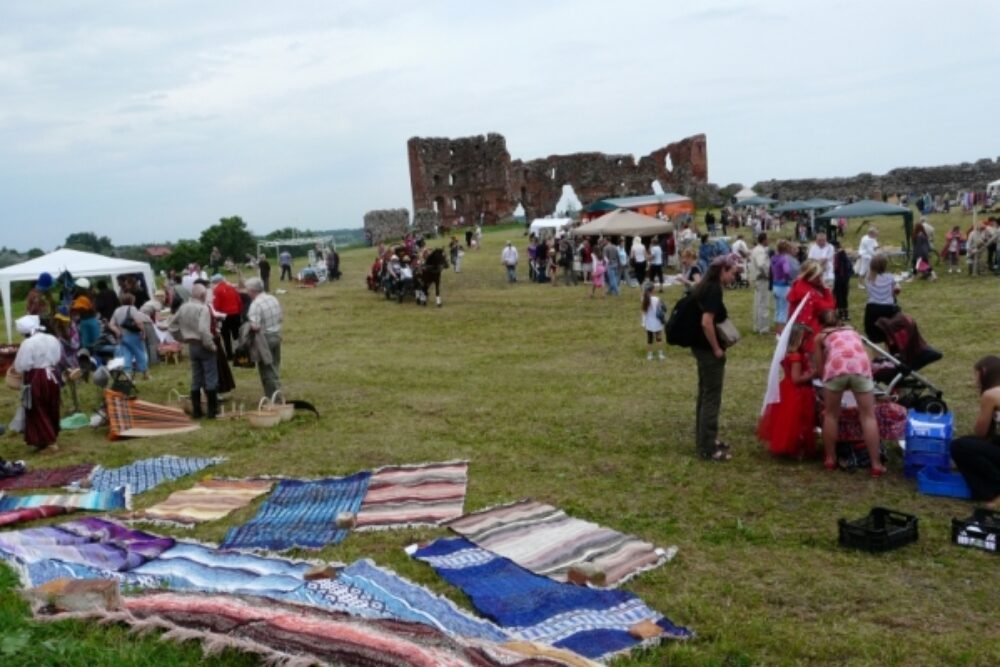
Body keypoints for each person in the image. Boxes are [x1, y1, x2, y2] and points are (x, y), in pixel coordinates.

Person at [814, 309, 886, 477]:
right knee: (868, 416)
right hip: (860, 368)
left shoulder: (820, 337)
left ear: (820, 324)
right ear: (840, 321)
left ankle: (830, 459)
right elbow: (866, 356)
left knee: (831, 415)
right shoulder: (853, 331)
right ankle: (876, 464)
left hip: (836, 369)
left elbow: (820, 368)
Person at [690, 254, 742, 462]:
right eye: (732, 273)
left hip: (699, 347)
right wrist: (716, 348)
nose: (733, 277)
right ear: (722, 271)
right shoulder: (713, 290)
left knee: (704, 394)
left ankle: (705, 439)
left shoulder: (704, 286)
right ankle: (707, 448)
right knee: (712, 397)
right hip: (708, 350)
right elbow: (706, 322)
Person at [757, 323, 816, 458]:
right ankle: (796, 447)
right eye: (805, 340)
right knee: (798, 420)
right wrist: (812, 374)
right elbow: (796, 379)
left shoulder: (787, 353)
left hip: (786, 388)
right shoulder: (796, 357)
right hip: (797, 392)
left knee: (785, 420)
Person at [951, 356, 1000, 507]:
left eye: (975, 374)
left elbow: (981, 432)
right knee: (973, 442)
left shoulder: (991, 395)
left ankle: (990, 489)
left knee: (959, 446)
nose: (975, 379)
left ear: (983, 372)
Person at [168, 283, 219, 419]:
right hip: (203, 345)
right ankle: (212, 411)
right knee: (210, 377)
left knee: (196, 378)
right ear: (202, 295)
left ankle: (197, 411)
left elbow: (171, 326)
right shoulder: (203, 309)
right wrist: (211, 345)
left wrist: (183, 339)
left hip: (192, 346)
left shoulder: (183, 307)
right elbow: (203, 330)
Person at [12, 315, 62, 450]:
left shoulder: (28, 343)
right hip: (53, 375)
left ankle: (49, 441)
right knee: (52, 405)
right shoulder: (52, 338)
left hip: (36, 377)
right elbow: (58, 357)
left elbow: (22, 365)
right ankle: (49, 436)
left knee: (36, 408)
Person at [787, 260, 836, 352]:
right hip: (809, 333)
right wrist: (826, 290)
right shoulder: (806, 291)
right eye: (817, 277)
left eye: (821, 275)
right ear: (809, 276)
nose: (820, 279)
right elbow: (828, 308)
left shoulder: (801, 285)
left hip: (801, 331)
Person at [245, 277, 283, 398]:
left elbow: (255, 327)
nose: (247, 293)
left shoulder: (255, 305)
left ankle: (274, 398)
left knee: (267, 370)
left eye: (248, 290)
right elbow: (280, 317)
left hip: (264, 338)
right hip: (276, 335)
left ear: (252, 290)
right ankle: (276, 393)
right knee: (275, 365)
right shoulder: (273, 298)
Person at [108, 293, 150, 380]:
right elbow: (138, 321)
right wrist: (143, 331)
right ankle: (145, 373)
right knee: (140, 353)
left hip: (123, 336)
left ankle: (128, 374)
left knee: (127, 354)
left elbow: (111, 324)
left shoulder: (117, 310)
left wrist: (117, 331)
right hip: (133, 335)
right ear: (132, 300)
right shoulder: (132, 308)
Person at [862, 253, 901, 341]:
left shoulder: (868, 278)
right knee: (888, 335)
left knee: (873, 337)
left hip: (872, 308)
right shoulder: (890, 277)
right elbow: (897, 289)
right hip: (888, 308)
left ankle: (875, 353)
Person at [210, 274, 243, 360]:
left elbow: (216, 305)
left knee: (226, 336)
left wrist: (216, 314)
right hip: (235, 313)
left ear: (215, 282)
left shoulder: (216, 290)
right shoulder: (232, 288)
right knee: (236, 334)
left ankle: (229, 355)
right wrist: (239, 311)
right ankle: (238, 352)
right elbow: (238, 300)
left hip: (224, 315)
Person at [771, 240, 794, 335]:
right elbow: (787, 271)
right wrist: (788, 278)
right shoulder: (784, 259)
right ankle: (782, 333)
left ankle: (777, 331)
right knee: (784, 310)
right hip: (784, 286)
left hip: (775, 285)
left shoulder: (774, 258)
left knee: (778, 309)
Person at [749, 233, 770, 334]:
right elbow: (761, 264)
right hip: (762, 279)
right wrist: (766, 274)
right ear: (764, 240)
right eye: (767, 239)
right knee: (763, 303)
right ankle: (763, 327)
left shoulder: (755, 249)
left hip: (757, 278)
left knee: (758, 303)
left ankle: (757, 326)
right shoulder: (761, 251)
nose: (768, 241)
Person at [640, 281, 666, 361]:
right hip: (657, 322)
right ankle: (660, 354)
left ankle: (649, 355)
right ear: (653, 290)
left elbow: (643, 312)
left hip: (649, 323)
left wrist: (643, 322)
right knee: (659, 338)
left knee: (649, 339)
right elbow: (662, 309)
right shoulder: (657, 299)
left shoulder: (643, 299)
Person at [832, 239, 852, 322]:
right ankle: (844, 313)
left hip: (840, 278)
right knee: (843, 296)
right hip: (844, 278)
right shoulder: (843, 254)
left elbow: (836, 267)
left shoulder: (839, 254)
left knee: (839, 296)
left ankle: (841, 313)